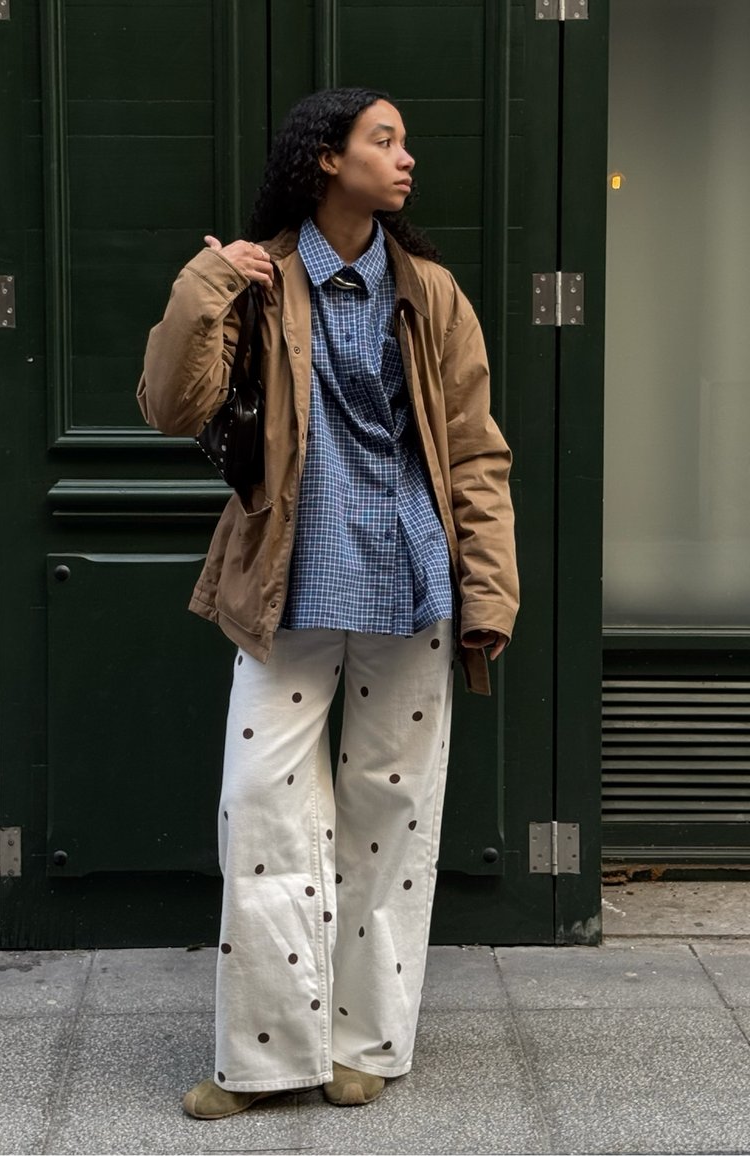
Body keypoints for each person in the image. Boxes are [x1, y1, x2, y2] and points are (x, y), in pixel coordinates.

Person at [137, 86, 518, 1119]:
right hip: (287, 583)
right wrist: (209, 280)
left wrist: (488, 585)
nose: (403, 160)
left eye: (402, 143)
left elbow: (475, 453)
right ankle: (261, 1057)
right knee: (260, 806)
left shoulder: (428, 291)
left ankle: (365, 1041)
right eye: (381, 141)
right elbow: (170, 404)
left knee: (390, 815)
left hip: (412, 578)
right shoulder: (257, 280)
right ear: (323, 159)